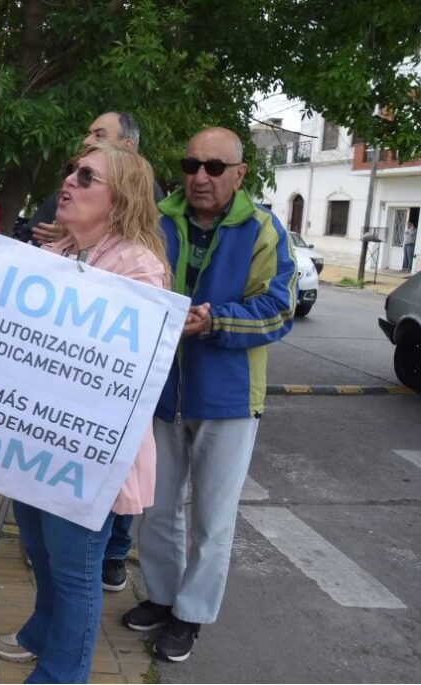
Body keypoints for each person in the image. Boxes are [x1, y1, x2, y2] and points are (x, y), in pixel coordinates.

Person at [0, 141, 170, 683]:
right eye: (71, 171)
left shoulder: (140, 266)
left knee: (75, 571)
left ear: (120, 200)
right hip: (36, 437)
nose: (68, 181)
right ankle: (41, 631)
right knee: (40, 551)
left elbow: (117, 364)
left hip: (89, 449)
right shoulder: (56, 253)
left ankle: (61, 674)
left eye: (86, 176)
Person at [122, 127, 296, 663]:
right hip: (161, 388)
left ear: (240, 174)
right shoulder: (157, 219)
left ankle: (191, 615)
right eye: (191, 164)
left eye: (215, 167)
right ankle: (163, 597)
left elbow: (278, 307)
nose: (200, 176)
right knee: (156, 508)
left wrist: (216, 319)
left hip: (229, 397)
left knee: (212, 519)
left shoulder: (263, 228)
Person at [19, 111, 163, 249]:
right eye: (77, 172)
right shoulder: (69, 186)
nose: (86, 141)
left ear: (127, 146)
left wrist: (75, 239)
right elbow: (31, 235)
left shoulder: (139, 266)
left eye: (99, 135)